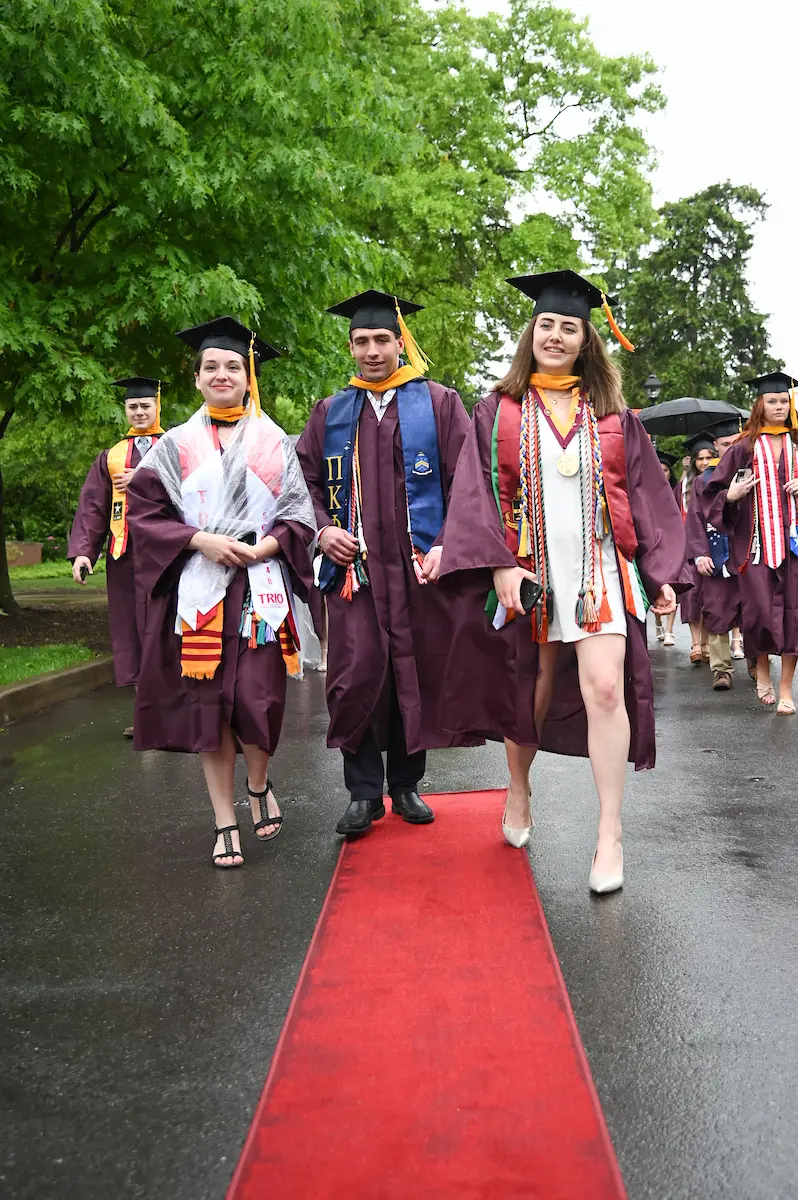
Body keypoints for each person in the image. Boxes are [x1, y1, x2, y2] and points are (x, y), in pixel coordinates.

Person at [438, 270, 688, 893]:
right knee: (532, 690)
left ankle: (609, 835)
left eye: (568, 327)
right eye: (546, 324)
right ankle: (519, 791)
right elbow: (474, 495)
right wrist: (498, 562)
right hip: (531, 571)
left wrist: (659, 573)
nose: (555, 335)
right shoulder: (498, 411)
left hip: (599, 571)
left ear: (585, 341)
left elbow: (650, 496)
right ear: (532, 334)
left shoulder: (612, 417)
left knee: (606, 688)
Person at [126, 317, 317, 867]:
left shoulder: (274, 441)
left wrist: (270, 548)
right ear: (196, 378)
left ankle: (257, 784)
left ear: (248, 375)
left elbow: (298, 516)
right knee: (210, 708)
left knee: (259, 702)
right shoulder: (172, 446)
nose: (222, 374)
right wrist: (198, 539)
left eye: (233, 366)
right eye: (212, 367)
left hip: (259, 590)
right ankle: (224, 820)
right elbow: (145, 516)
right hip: (201, 591)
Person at [296, 289, 476, 835]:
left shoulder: (440, 403)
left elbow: (466, 482)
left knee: (412, 672)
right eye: (361, 342)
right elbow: (300, 487)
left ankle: (405, 785)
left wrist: (447, 543)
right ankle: (361, 792)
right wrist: (323, 531)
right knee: (355, 678)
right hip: (356, 575)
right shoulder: (330, 412)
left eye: (381, 340)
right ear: (350, 347)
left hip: (419, 571)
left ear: (402, 342)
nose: (372, 351)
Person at [68, 377, 165, 736]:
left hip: (167, 556)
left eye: (145, 405)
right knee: (132, 632)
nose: (139, 412)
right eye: (132, 406)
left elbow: (194, 491)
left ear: (158, 405)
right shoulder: (111, 456)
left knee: (167, 629)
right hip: (124, 556)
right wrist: (82, 552)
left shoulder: (177, 446)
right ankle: (145, 715)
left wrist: (143, 478)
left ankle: (177, 711)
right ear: (125, 410)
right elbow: (93, 506)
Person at [703, 372, 798, 713]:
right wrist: (731, 495)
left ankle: (786, 685)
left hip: (793, 548)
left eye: (783, 401)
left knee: (794, 616)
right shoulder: (744, 446)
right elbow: (713, 491)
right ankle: (762, 670)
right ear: (760, 404)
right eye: (772, 401)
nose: (778, 407)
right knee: (757, 612)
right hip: (756, 548)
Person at [684, 419, 743, 691]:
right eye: (725, 444)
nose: (731, 449)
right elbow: (695, 519)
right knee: (717, 611)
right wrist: (699, 554)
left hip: (747, 555)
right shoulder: (703, 481)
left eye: (735, 443)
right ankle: (721, 669)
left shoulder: (753, 472)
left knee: (752, 611)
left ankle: (757, 663)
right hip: (717, 556)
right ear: (717, 446)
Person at [676, 434, 716, 664]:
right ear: (693, 461)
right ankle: (695, 644)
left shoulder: (719, 481)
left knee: (712, 596)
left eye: (708, 457)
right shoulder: (683, 487)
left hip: (713, 543)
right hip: (688, 546)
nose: (703, 462)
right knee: (692, 597)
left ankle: (709, 642)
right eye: (700, 458)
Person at [655, 450, 678, 644]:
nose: (662, 473)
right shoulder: (646, 490)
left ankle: (669, 630)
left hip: (671, 542)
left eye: (666, 469)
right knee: (656, 587)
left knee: (673, 582)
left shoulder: (677, 490)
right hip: (654, 542)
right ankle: (657, 621)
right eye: (659, 469)